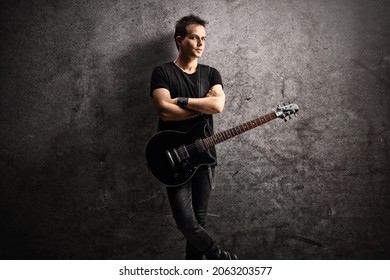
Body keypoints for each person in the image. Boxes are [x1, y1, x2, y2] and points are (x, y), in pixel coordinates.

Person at [149, 14, 237, 260]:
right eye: (194, 38)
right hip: (171, 157)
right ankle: (218, 256)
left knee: (199, 222)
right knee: (187, 224)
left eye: (204, 39)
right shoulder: (162, 73)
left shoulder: (211, 74)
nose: (200, 44)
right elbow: (164, 111)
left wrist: (185, 102)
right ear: (180, 40)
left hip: (204, 155)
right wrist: (203, 105)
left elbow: (218, 106)